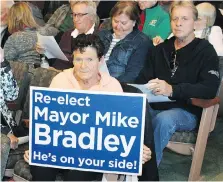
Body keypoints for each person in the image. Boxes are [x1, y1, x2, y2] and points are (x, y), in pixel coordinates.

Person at [23, 34, 157, 181]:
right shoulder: (60, 80)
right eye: (78, 59)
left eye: (89, 60)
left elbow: (120, 130)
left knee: (77, 174)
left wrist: (135, 150)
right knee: (40, 166)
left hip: (92, 154)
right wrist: (36, 148)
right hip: (61, 148)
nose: (83, 66)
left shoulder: (112, 86)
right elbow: (49, 123)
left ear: (100, 61)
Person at [135, 1, 220, 165]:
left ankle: (146, 172)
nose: (178, 23)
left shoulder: (206, 51)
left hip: (186, 110)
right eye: (175, 19)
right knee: (130, 112)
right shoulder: (160, 49)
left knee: (164, 119)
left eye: (185, 19)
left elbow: (209, 88)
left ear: (195, 23)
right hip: (154, 106)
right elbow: (142, 79)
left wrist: (173, 90)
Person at [98, 1, 153, 83]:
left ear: (134, 22)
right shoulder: (102, 35)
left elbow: (132, 74)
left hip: (120, 87)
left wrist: (111, 85)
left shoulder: (142, 42)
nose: (118, 26)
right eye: (115, 21)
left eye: (124, 23)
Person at [51, 1, 99, 70]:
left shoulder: (98, 37)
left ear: (91, 16)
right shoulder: (67, 34)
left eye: (80, 15)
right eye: (74, 15)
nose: (75, 19)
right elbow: (59, 60)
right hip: (56, 72)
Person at [3, 2, 40, 68]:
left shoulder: (14, 38)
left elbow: (6, 59)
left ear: (12, 19)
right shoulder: (38, 34)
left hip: (20, 73)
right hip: (37, 72)